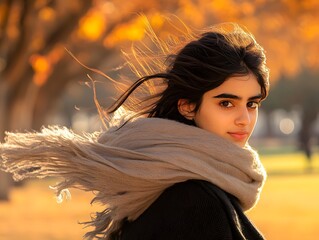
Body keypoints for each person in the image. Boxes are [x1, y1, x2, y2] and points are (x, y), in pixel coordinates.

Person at [0, 21, 269, 240]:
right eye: (226, 103)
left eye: (252, 104)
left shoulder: (180, 180)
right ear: (188, 106)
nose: (244, 119)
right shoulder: (195, 199)